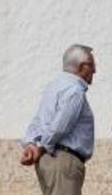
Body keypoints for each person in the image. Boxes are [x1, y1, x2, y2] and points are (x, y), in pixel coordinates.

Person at [20, 44, 97, 195]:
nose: (95, 70)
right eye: (92, 65)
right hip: (62, 160)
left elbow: (38, 121)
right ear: (83, 66)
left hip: (48, 160)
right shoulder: (75, 91)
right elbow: (60, 126)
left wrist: (31, 144)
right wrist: (41, 146)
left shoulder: (54, 87)